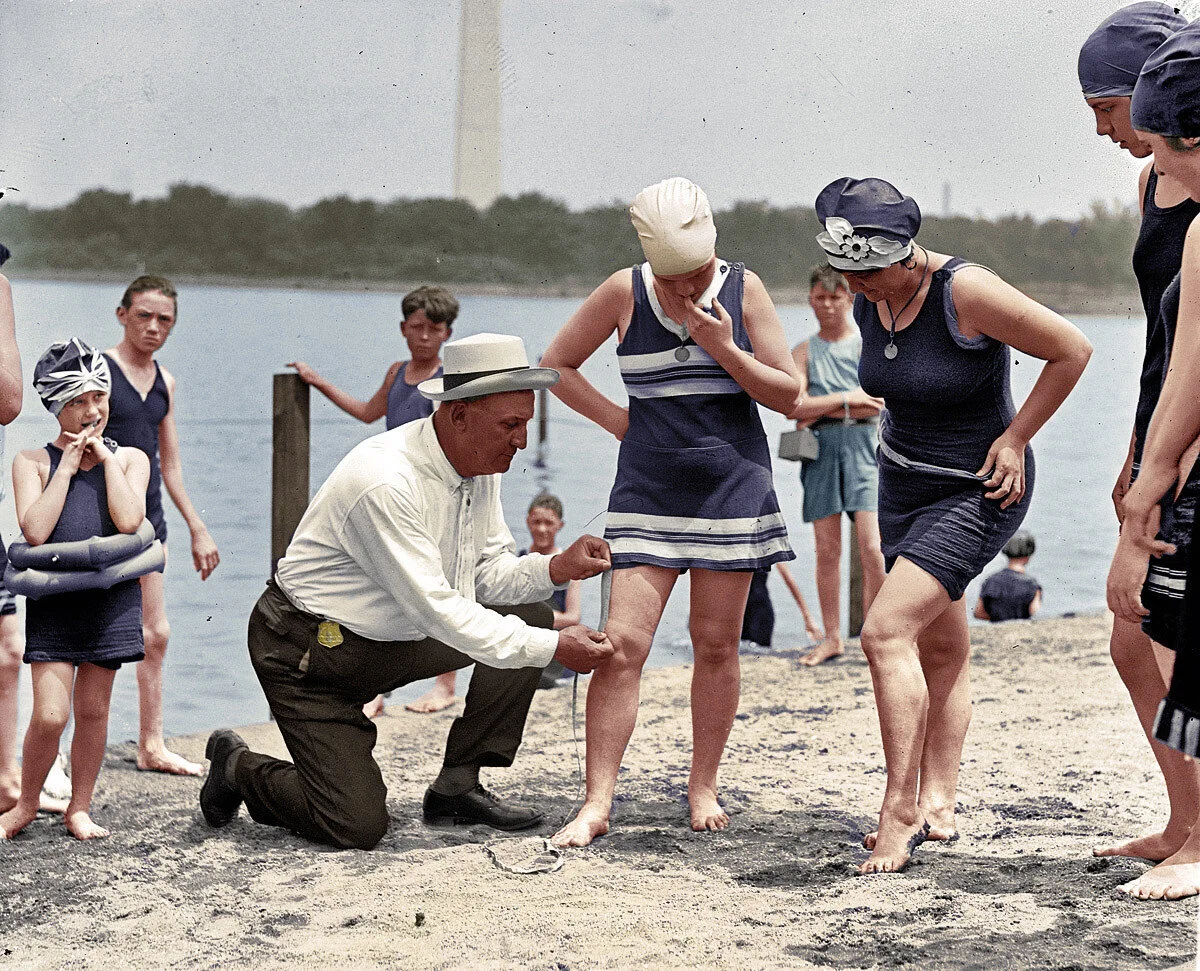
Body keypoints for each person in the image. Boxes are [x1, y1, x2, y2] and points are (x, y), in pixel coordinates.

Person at [198, 334, 614, 850]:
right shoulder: (385, 481)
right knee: (355, 826)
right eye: (511, 425)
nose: (523, 441)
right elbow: (441, 609)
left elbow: (483, 574)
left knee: (529, 613)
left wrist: (556, 567)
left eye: (526, 423)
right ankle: (238, 767)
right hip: (308, 653)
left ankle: (457, 788)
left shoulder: (478, 462)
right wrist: (557, 649)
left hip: (388, 640)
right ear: (458, 415)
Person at [813, 177, 1092, 874]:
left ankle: (898, 809)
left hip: (979, 488)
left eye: (867, 273)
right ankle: (939, 798)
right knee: (941, 649)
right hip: (901, 484)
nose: (858, 287)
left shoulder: (964, 290)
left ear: (904, 255)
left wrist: (1018, 436)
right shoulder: (872, 293)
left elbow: (1072, 349)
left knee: (882, 632)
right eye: (848, 275)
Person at [541, 177, 800, 848]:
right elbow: (556, 365)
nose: (685, 292)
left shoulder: (745, 290)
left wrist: (724, 347)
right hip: (648, 491)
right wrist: (621, 422)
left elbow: (789, 396)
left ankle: (702, 784)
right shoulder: (623, 291)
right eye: (673, 281)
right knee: (620, 647)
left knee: (715, 646)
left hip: (731, 489)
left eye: (695, 277)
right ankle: (597, 800)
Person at [1078, 2, 1200, 870]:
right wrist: (1132, 459)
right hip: (1166, 415)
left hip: (1190, 437)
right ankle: (1184, 820)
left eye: (1108, 111)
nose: (1105, 132)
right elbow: (1166, 343)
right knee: (1134, 640)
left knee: (1165, 630)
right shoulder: (1157, 182)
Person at [0, 340, 149, 840]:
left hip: (110, 601)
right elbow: (36, 531)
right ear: (54, 405)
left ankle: (79, 808)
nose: (91, 412)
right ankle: (25, 805)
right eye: (77, 402)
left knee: (93, 710)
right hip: (56, 600)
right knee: (49, 713)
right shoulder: (30, 462)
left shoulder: (130, 460)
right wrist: (66, 465)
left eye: (98, 399)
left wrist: (105, 462)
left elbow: (130, 520)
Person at [288, 285, 460, 717]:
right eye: (416, 327)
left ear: (447, 333)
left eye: (433, 329)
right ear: (403, 328)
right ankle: (376, 689)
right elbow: (368, 413)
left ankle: (444, 685)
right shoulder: (396, 371)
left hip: (432, 493)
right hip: (392, 491)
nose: (423, 336)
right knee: (381, 587)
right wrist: (318, 382)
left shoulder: (448, 379)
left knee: (440, 584)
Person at [103, 275, 219, 777]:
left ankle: (151, 744)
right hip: (100, 525)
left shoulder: (165, 382)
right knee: (92, 640)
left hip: (150, 526)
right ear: (122, 313)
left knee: (157, 633)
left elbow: (168, 466)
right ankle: (66, 755)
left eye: (165, 319)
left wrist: (197, 527)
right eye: (144, 315)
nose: (154, 327)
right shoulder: (99, 374)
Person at [788, 265, 887, 665]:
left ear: (850, 298)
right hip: (821, 449)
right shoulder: (803, 351)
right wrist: (849, 399)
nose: (827, 305)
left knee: (873, 547)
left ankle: (876, 634)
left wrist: (828, 402)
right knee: (827, 549)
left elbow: (881, 402)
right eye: (819, 298)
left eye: (835, 296)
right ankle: (831, 637)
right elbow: (796, 409)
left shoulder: (868, 346)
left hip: (867, 445)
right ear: (811, 300)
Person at [521, 492, 581, 688]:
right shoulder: (517, 560)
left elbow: (572, 617)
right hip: (525, 645)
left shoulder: (569, 564)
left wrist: (532, 617)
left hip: (554, 650)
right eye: (536, 522)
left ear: (560, 525)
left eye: (549, 523)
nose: (541, 529)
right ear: (527, 521)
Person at [974, 531, 1042, 622]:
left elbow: (979, 613)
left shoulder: (991, 581)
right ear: (1029, 554)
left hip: (997, 629)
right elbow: (1035, 612)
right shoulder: (1032, 585)